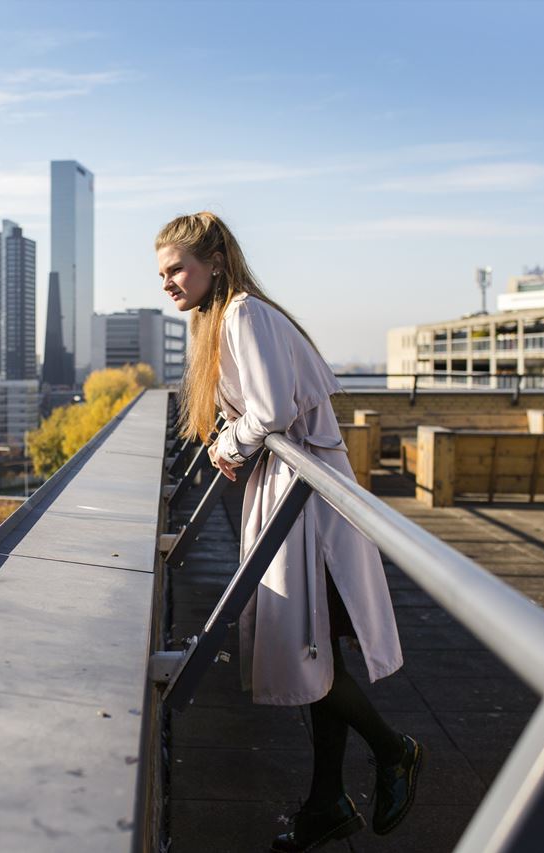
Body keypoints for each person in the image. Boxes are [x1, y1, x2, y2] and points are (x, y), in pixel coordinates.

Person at [156, 212, 423, 851]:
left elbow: (271, 411)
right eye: (161, 273)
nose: (167, 283)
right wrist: (233, 436)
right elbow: (262, 410)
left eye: (176, 269)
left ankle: (393, 751)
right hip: (292, 496)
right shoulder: (226, 319)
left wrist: (233, 442)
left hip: (309, 509)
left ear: (215, 261)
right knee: (313, 649)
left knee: (309, 647)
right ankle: (325, 802)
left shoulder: (244, 315)